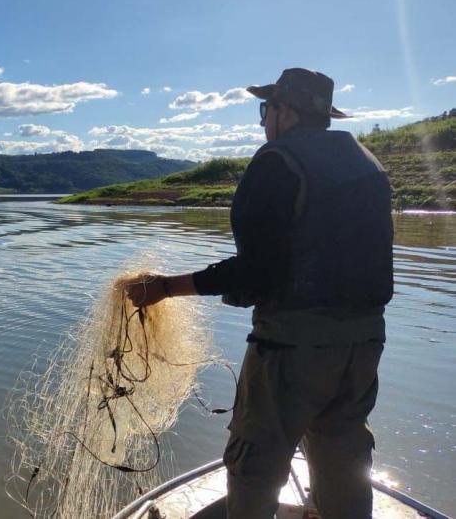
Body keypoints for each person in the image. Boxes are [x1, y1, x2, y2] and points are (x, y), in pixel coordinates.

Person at [127, 68, 393, 519]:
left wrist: (167, 288)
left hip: (292, 349)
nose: (264, 119)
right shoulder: (366, 164)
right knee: (345, 462)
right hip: (364, 346)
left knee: (255, 468)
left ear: (285, 112)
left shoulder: (277, 162)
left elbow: (256, 273)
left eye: (265, 109)